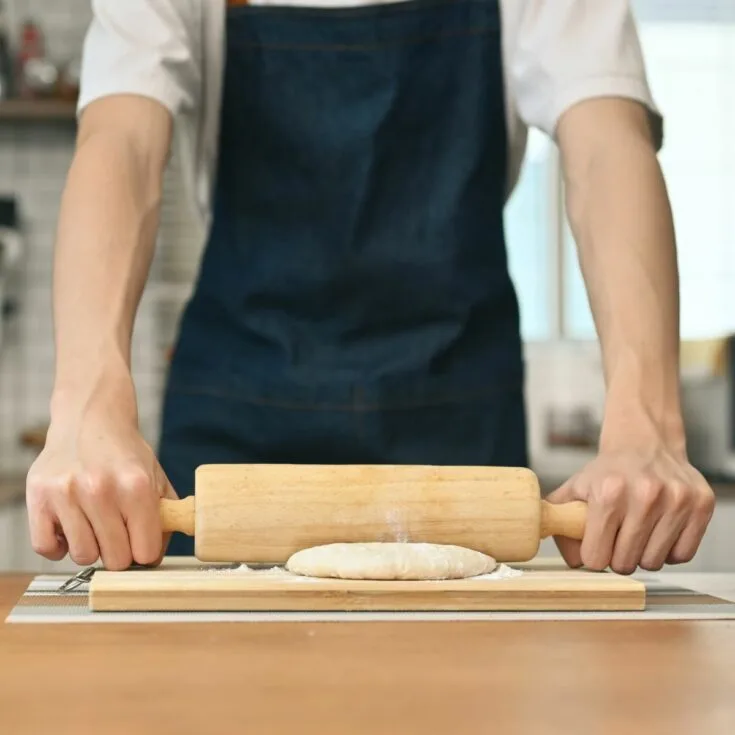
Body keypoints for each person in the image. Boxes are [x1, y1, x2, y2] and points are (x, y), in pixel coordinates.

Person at [26, 0, 714, 574]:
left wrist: (646, 421)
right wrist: (87, 405)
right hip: (234, 425)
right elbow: (121, 139)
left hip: (457, 428)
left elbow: (605, 145)